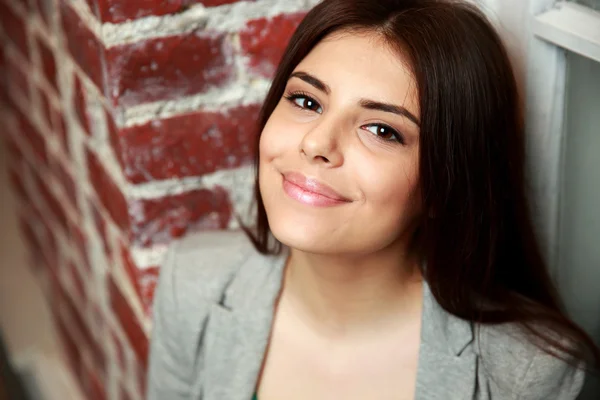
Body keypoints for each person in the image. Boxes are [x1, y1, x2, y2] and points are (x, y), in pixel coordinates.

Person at [146, 0, 600, 399]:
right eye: (306, 101)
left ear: (446, 184)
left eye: (383, 130)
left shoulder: (530, 375)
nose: (317, 143)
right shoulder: (192, 285)